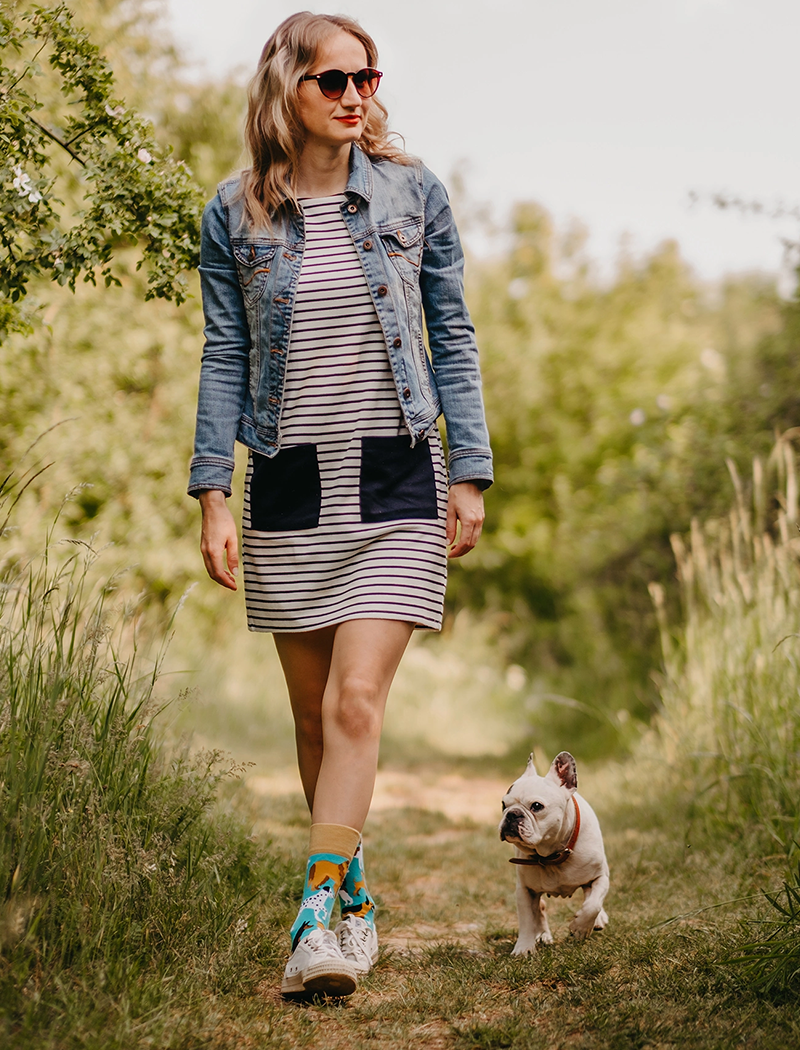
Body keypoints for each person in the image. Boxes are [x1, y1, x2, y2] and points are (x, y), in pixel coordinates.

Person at [188, 11, 493, 999]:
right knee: (314, 724)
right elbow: (225, 354)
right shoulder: (234, 214)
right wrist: (210, 491)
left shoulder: (413, 194)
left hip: (397, 474)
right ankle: (355, 899)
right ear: (289, 88)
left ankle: (315, 918)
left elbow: (450, 331)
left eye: (367, 78)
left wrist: (469, 469)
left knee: (355, 701)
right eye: (334, 81)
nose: (356, 95)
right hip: (284, 481)